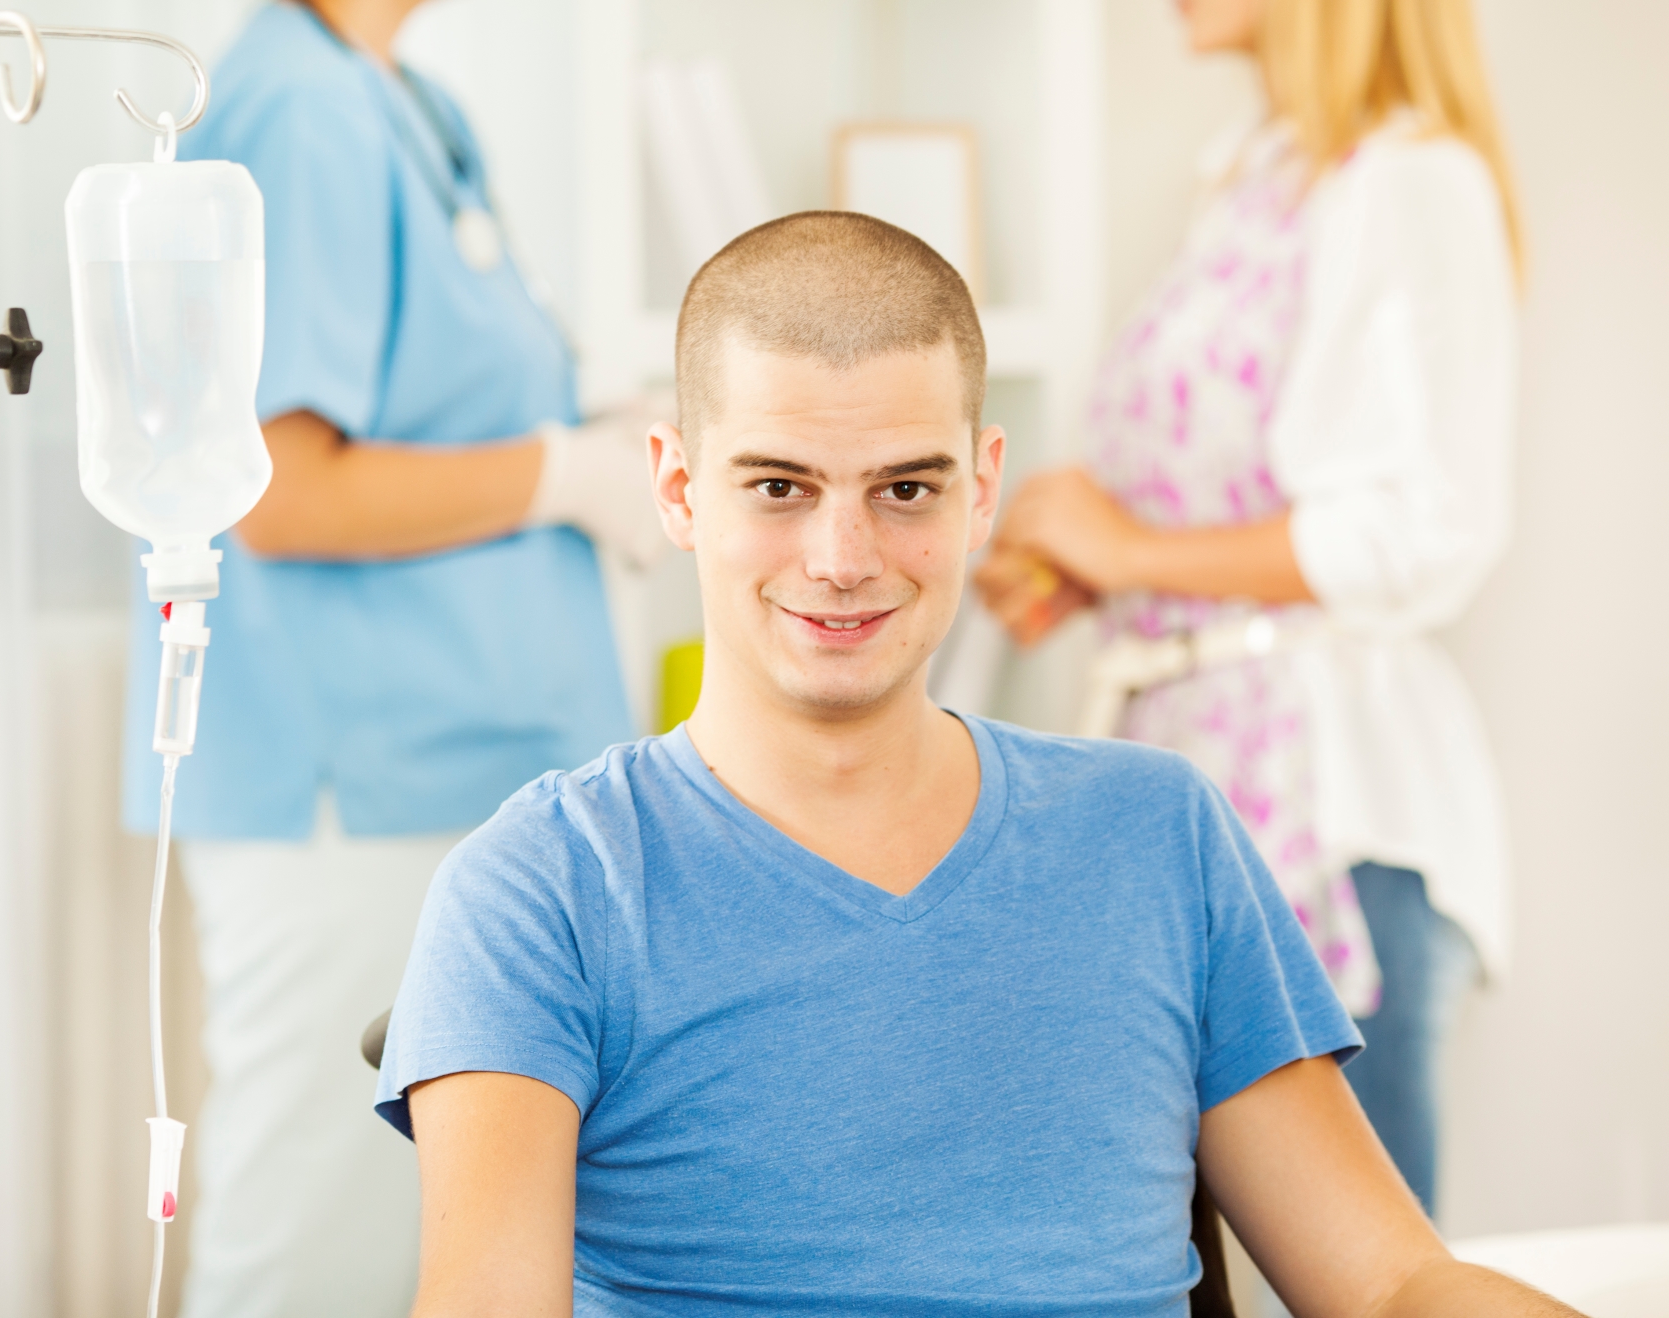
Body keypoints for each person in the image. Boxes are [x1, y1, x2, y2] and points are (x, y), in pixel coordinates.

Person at [372, 212, 1576, 1316]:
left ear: (981, 487)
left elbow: (1391, 1283)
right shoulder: (541, 886)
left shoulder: (1157, 833)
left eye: (904, 488)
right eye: (779, 487)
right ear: (680, 488)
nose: (841, 557)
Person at [121, 2, 663, 1313]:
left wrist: (591, 431)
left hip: (449, 768)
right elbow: (284, 491)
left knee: (429, 1225)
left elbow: (439, 395)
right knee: (322, 1234)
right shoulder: (305, 110)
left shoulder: (407, 101)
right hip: (353, 782)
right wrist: (561, 473)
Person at [976, 0, 1516, 1217]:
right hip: (1192, 776)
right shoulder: (1252, 182)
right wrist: (1100, 567)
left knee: (1347, 1269)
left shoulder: (1409, 183)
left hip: (1326, 811)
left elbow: (1416, 526)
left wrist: (1134, 546)